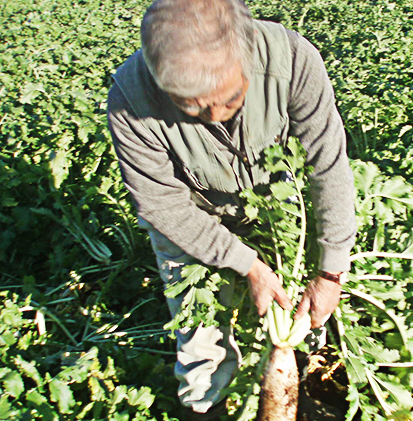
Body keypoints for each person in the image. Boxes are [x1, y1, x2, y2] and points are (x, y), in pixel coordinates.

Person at [106, 0, 356, 418]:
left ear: (248, 55)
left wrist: (331, 270)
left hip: (282, 209)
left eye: (229, 99)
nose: (215, 116)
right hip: (194, 213)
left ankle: (300, 385)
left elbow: (327, 165)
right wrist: (248, 266)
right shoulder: (130, 100)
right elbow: (163, 207)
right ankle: (206, 405)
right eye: (193, 107)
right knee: (200, 337)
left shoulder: (292, 59)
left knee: (309, 308)